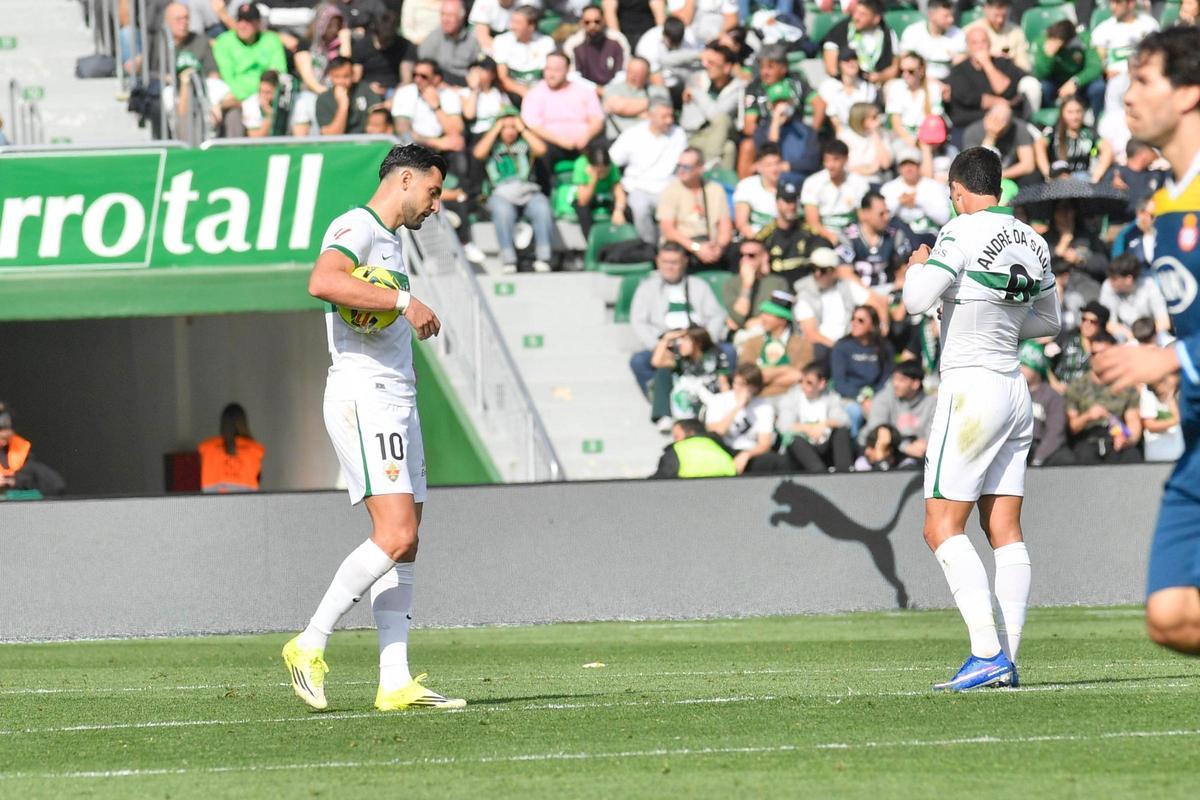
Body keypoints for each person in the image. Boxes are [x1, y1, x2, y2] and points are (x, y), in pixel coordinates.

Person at [283, 144, 463, 712]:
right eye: (433, 191)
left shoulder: (392, 240)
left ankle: (394, 680)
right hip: (365, 397)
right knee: (396, 534)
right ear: (405, 180)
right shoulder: (356, 225)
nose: (435, 205)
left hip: (397, 399)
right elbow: (323, 281)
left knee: (407, 544)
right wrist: (404, 300)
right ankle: (309, 642)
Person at [901, 146, 1061, 690]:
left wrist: (917, 266)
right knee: (1004, 529)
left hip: (971, 390)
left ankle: (988, 653)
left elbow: (915, 300)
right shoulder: (1033, 240)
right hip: (1014, 390)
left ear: (959, 191)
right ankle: (1007, 660)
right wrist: (999, 323)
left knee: (940, 526)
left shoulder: (959, 230)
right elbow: (1050, 322)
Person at [1092, 27, 1200, 657]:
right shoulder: (1165, 204)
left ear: (1187, 93)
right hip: (1196, 440)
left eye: (1142, 80)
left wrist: (1171, 357)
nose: (1127, 96)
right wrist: (1173, 372)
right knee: (1171, 616)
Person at [629, 241, 729, 394]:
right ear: (658, 261)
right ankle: (659, 398)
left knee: (729, 352)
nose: (669, 267)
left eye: (674, 262)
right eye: (665, 262)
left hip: (697, 342)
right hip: (665, 344)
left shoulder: (699, 285)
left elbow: (716, 315)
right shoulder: (646, 289)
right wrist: (657, 346)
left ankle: (722, 397)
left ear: (684, 261)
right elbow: (639, 322)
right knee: (639, 361)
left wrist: (705, 341)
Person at [472, 107, 555, 273]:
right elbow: (478, 153)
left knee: (542, 206)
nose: (510, 131)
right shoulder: (492, 145)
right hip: (500, 193)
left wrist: (522, 128)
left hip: (527, 191)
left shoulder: (524, 143)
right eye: (505, 127)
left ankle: (544, 257)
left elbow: (542, 150)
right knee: (502, 211)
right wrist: (496, 127)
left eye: (513, 127)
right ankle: (508, 258)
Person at [609, 98, 689, 245]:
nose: (669, 120)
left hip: (667, 187)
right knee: (640, 210)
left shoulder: (679, 134)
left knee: (672, 211)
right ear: (651, 116)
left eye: (671, 116)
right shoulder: (633, 134)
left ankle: (667, 247)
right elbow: (612, 161)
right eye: (664, 116)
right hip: (637, 187)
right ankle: (649, 247)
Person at [520, 51, 606, 179]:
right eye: (548, 69)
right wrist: (560, 140)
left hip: (584, 142)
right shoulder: (534, 93)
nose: (551, 74)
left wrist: (586, 136)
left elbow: (597, 119)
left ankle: (602, 187)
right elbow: (533, 124)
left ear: (567, 70)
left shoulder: (583, 90)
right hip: (552, 143)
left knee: (601, 148)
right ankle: (547, 189)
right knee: (540, 150)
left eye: (556, 70)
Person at [1066, 331, 1144, 463]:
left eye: (1104, 354)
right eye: (1094, 353)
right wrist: (1088, 416)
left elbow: (1134, 423)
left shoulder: (1126, 387)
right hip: (1087, 440)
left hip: (1115, 439)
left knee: (1132, 455)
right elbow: (1072, 427)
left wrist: (1127, 440)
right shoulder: (1077, 386)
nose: (1098, 358)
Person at [211, 3, 288, 137]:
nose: (243, 25)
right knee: (235, 115)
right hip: (236, 98)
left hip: (265, 96)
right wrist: (252, 92)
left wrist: (257, 92)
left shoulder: (271, 40)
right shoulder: (223, 42)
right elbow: (228, 80)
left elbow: (276, 74)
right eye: (240, 20)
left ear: (258, 23)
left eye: (248, 21)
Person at [793, 248, 884, 357]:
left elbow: (876, 304)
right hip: (822, 348)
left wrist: (882, 330)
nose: (817, 274)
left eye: (823, 270)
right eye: (813, 269)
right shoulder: (805, 294)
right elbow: (811, 334)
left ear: (834, 271)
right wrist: (841, 349)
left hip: (848, 341)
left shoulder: (845, 286)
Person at [946, 26, 1025, 142]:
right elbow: (968, 97)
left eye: (984, 42)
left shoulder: (1003, 64)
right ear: (967, 46)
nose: (980, 46)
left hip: (1007, 123)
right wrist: (1003, 103)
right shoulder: (959, 70)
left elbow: (1006, 90)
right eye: (975, 43)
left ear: (990, 44)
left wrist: (987, 63)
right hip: (969, 124)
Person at [657, 147, 731, 269]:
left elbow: (725, 226)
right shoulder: (670, 190)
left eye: (686, 167)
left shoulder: (715, 189)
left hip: (710, 244)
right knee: (675, 256)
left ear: (700, 168)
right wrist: (696, 248)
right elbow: (668, 230)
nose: (681, 171)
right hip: (684, 245)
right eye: (679, 166)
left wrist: (719, 247)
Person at [775, 361, 855, 473]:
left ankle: (844, 472)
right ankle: (820, 473)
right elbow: (783, 425)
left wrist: (823, 424)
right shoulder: (792, 397)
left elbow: (844, 420)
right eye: (801, 381)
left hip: (824, 444)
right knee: (793, 439)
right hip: (801, 450)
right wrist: (809, 429)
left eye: (809, 383)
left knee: (841, 432)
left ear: (821, 384)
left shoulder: (831, 397)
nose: (803, 386)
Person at [830, 304, 895, 435]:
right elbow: (839, 382)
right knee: (855, 412)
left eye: (860, 320)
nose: (854, 323)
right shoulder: (842, 346)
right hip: (848, 397)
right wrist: (861, 398)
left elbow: (886, 377)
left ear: (872, 325)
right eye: (853, 319)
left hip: (876, 396)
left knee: (884, 411)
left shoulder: (884, 347)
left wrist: (874, 398)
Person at [679, 42, 744, 169]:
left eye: (712, 63)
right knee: (729, 148)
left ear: (726, 67)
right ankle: (713, 173)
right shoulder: (697, 78)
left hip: (719, 133)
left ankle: (710, 168)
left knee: (722, 119)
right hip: (694, 135)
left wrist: (696, 93)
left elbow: (717, 114)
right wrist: (697, 54)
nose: (707, 66)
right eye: (706, 62)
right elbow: (665, 60)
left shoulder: (738, 88)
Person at [703, 364, 777, 474]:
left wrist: (746, 455)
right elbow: (715, 433)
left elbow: (764, 443)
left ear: (755, 387)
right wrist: (738, 407)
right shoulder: (718, 401)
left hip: (750, 452)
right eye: (735, 383)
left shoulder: (764, 406)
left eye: (742, 385)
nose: (737, 388)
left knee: (775, 461)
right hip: (723, 449)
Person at [1089, 0, 1160, 116]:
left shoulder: (1149, 24)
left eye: (1118, 3)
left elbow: (1157, 54)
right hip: (1115, 77)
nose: (1113, 7)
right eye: (1111, 3)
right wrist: (1105, 71)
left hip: (1142, 74)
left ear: (1131, 4)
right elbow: (1097, 60)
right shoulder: (1103, 29)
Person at [649, 326, 732, 424]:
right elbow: (656, 362)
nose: (681, 344)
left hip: (711, 396)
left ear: (698, 342)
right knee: (662, 371)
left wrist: (727, 406)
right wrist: (665, 339)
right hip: (690, 398)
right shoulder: (682, 359)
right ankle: (664, 416)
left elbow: (723, 382)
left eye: (685, 340)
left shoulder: (714, 354)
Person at [860, 358, 934, 466]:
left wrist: (925, 444)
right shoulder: (884, 397)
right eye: (894, 379)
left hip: (917, 452)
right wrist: (906, 447)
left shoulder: (931, 403)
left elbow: (932, 433)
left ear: (915, 384)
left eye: (901, 380)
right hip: (884, 448)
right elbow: (876, 428)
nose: (895, 384)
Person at [738, 293, 812, 397]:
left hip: (789, 398)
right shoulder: (752, 343)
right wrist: (784, 370)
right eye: (763, 313)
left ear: (783, 319)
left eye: (769, 314)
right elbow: (746, 376)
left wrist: (762, 377)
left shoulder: (802, 345)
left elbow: (799, 376)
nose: (763, 318)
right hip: (757, 398)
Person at [391, 59, 466, 162]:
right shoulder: (404, 93)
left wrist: (437, 107)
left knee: (459, 151)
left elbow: (456, 130)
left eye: (423, 76)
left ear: (436, 79)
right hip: (415, 146)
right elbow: (404, 131)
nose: (417, 79)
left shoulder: (449, 95)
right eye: (414, 75)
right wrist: (436, 143)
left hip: (444, 147)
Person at [838, 191, 913, 291]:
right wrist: (872, 296)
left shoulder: (896, 235)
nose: (886, 217)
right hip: (860, 294)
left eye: (887, 212)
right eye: (881, 214)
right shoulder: (847, 237)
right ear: (864, 214)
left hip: (891, 290)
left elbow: (905, 269)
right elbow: (845, 273)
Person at [801, 139, 870, 245]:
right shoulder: (812, 182)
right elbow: (812, 222)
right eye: (827, 160)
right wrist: (833, 238)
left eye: (835, 160)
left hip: (852, 235)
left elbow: (863, 218)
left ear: (846, 159)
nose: (830, 165)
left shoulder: (859, 183)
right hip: (822, 236)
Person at [756, 182, 829, 283]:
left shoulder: (807, 232)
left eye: (794, 201)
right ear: (777, 203)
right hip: (776, 285)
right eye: (787, 201)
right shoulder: (766, 235)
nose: (792, 206)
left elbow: (822, 246)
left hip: (805, 284)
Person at [881, 147, 951, 248]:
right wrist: (899, 201)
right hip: (899, 237)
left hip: (929, 235)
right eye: (904, 165)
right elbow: (881, 217)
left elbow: (944, 218)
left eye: (912, 164)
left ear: (919, 166)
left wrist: (918, 201)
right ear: (899, 168)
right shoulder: (888, 188)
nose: (908, 168)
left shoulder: (934, 186)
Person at [1018, 341, 1074, 466]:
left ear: (1037, 367)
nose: (1021, 368)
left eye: (1025, 364)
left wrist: (1038, 458)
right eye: (1019, 363)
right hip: (1014, 446)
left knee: (1066, 459)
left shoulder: (1052, 397)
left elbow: (1055, 433)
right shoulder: (1012, 393)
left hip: (1038, 447)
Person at [820, 0, 898, 86]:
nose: (856, 17)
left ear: (876, 18)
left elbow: (894, 67)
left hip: (879, 83)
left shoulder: (888, 33)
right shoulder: (838, 31)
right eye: (855, 12)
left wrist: (879, 77)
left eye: (862, 14)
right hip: (846, 83)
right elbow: (831, 68)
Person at [1030, 19, 1103, 112]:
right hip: (1055, 81)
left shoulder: (1083, 40)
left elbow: (1095, 67)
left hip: (1079, 79)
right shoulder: (1042, 42)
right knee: (1044, 88)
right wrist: (1048, 56)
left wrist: (1076, 82)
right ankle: (1051, 117)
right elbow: (1040, 73)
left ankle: (1097, 119)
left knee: (1098, 87)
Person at [724, 238, 790, 337]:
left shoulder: (778, 282)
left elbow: (778, 315)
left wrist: (760, 321)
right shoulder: (731, 283)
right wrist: (747, 285)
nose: (745, 260)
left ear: (764, 257)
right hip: (740, 335)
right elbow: (738, 317)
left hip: (767, 333)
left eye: (751, 255)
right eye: (741, 255)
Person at [1099, 252, 1171, 340]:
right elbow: (1109, 324)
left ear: (1128, 279)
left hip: (1150, 335)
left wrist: (1144, 338)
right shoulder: (1108, 286)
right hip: (1125, 338)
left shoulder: (1149, 285)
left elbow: (1164, 322)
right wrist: (1131, 336)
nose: (1110, 282)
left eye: (1114, 278)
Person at [0, 402, 66, 497]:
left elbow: (56, 485)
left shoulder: (19, 452)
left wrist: (12, 481)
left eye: (5, 438)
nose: (3, 442)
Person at [961, 103, 1036, 185]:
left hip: (1009, 177)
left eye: (1003, 121)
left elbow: (1028, 165)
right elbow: (977, 168)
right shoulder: (972, 132)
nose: (998, 124)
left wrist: (1001, 176)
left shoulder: (1018, 127)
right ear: (987, 117)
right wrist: (991, 136)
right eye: (995, 119)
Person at [197, 403, 265, 492]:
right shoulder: (254, 451)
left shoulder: (207, 449)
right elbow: (257, 480)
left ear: (223, 424)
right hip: (246, 501)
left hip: (212, 501)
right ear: (243, 424)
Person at [884, 53, 945, 150]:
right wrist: (914, 144)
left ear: (921, 71)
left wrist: (924, 145)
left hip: (929, 139)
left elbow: (934, 121)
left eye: (910, 71)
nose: (905, 75)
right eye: (901, 71)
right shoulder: (896, 87)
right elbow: (896, 124)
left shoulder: (933, 88)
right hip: (902, 139)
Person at [493, 6, 555, 101]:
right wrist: (527, 94)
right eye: (512, 22)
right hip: (513, 95)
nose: (513, 27)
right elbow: (503, 77)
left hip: (542, 92)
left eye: (518, 23)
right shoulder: (502, 41)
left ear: (531, 26)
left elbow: (552, 73)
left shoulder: (546, 42)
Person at [813, 47, 879, 135]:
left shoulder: (868, 88)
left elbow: (868, 116)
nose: (851, 63)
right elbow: (833, 117)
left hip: (862, 132)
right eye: (846, 60)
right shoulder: (828, 86)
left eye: (854, 59)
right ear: (839, 64)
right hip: (837, 134)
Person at [570, 141, 628, 241]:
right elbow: (583, 201)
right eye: (599, 171)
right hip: (586, 197)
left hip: (605, 197)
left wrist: (619, 210)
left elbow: (619, 192)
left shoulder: (612, 166)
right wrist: (593, 179)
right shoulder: (581, 164)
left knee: (627, 211)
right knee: (583, 211)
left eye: (605, 170)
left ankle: (626, 240)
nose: (603, 174)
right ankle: (592, 241)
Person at [602, 56, 671, 139]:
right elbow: (619, 106)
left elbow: (663, 108)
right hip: (619, 139)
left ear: (647, 75)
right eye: (630, 72)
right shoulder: (612, 88)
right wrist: (649, 110)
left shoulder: (654, 90)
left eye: (638, 73)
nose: (632, 76)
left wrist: (631, 110)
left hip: (650, 139)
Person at [897, 0, 965, 83]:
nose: (951, 20)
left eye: (952, 15)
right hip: (918, 82)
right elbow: (904, 62)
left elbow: (963, 67)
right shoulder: (913, 32)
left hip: (948, 83)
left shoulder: (958, 34)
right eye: (946, 16)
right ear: (931, 15)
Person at [563, 4, 630, 87]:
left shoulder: (617, 39)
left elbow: (623, 72)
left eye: (597, 21)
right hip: (584, 89)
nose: (592, 26)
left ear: (604, 20)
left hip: (614, 89)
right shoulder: (573, 44)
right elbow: (572, 75)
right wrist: (595, 89)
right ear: (581, 22)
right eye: (587, 22)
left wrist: (607, 90)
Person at [418, 0, 480, 86]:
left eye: (450, 15)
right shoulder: (432, 38)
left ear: (461, 17)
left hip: (466, 87)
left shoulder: (472, 40)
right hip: (439, 86)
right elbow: (424, 69)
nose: (445, 19)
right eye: (443, 14)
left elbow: (478, 66)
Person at [317, 56, 384, 135]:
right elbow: (331, 135)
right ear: (330, 76)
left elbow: (379, 119)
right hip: (339, 142)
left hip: (365, 139)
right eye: (337, 77)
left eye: (346, 76)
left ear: (353, 74)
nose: (342, 81)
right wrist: (343, 104)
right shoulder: (323, 99)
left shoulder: (364, 89)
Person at [651, 418, 737, 478]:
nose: (675, 441)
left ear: (691, 433)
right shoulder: (720, 447)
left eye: (676, 437)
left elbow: (659, 480)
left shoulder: (677, 450)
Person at [734, 143, 784, 240]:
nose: (774, 169)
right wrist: (758, 242)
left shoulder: (788, 187)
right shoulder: (747, 186)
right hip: (753, 240)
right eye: (769, 165)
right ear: (758, 167)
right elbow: (742, 224)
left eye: (777, 163)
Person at [839, 102, 893, 184]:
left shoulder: (882, 134)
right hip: (851, 181)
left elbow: (885, 164)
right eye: (874, 117)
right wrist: (868, 170)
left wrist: (875, 133)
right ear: (861, 119)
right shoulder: (845, 137)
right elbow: (843, 167)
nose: (878, 120)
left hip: (876, 180)